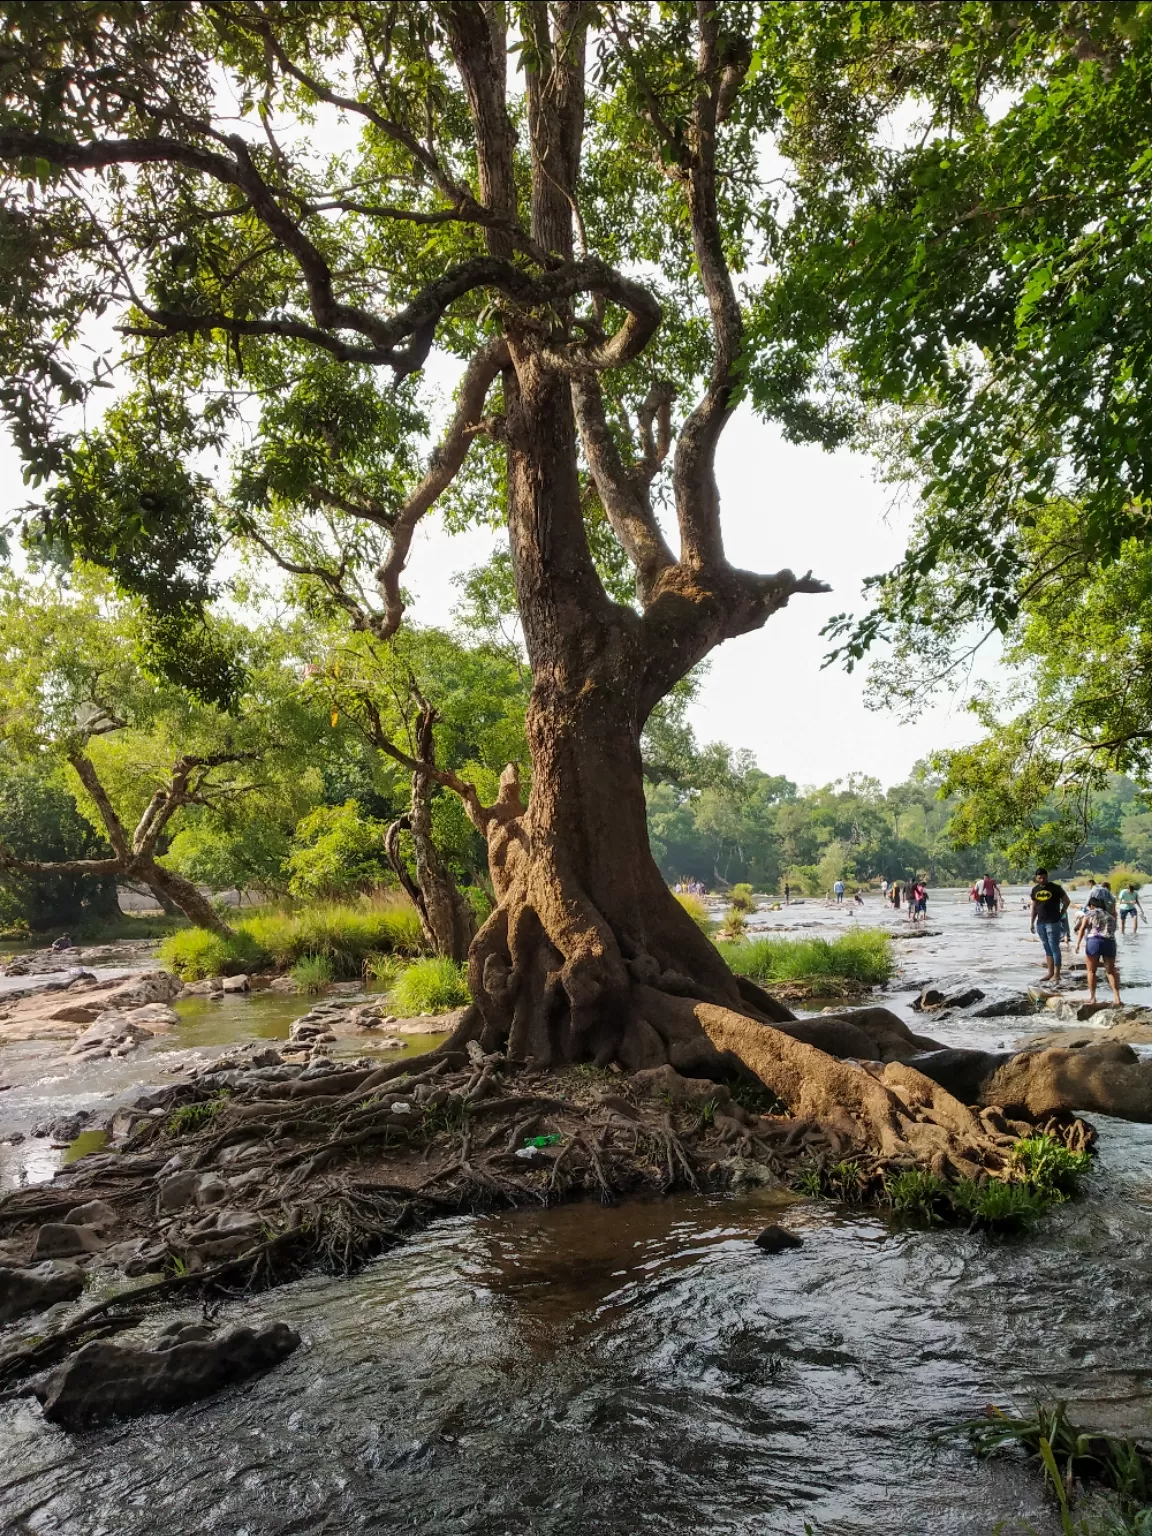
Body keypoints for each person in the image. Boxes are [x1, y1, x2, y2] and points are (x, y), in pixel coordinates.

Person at [1075, 895, 1121, 1005]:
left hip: (1094, 942)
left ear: (1091, 906)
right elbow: (1114, 930)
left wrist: (1077, 944)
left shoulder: (1090, 913)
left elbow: (1082, 929)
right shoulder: (1110, 916)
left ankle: (1093, 998)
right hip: (1109, 943)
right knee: (1110, 971)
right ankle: (1117, 998)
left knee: (1091, 971)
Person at [1030, 867, 1071, 985]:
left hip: (1053, 922)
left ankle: (1057, 974)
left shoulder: (1055, 888)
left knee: (1054, 947)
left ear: (1047, 876)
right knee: (1047, 948)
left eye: (1044, 877)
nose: (1042, 880)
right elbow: (1033, 907)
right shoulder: (1035, 890)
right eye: (1040, 878)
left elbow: (1067, 901)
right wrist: (1032, 922)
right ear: (1036, 878)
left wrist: (1061, 913)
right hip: (1040, 923)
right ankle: (1050, 973)